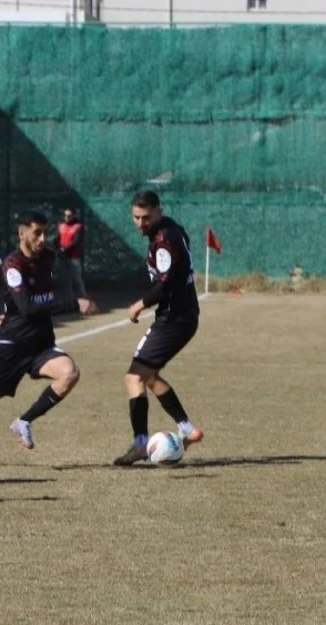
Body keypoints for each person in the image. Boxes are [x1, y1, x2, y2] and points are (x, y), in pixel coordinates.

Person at [0, 210, 98, 450]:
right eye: (37, 233)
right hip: (12, 347)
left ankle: (24, 421)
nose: (42, 239)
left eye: (45, 233)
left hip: (40, 345)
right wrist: (75, 304)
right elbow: (28, 308)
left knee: (69, 373)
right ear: (22, 233)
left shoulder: (49, 258)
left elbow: (52, 294)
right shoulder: (13, 265)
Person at [113, 191, 204, 466]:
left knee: (133, 376)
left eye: (146, 217)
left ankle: (140, 443)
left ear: (158, 212)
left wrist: (139, 304)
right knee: (149, 376)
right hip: (182, 316)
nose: (141, 223)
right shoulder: (170, 229)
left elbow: (166, 285)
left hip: (174, 319)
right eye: (136, 218)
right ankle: (187, 429)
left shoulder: (164, 240)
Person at [57, 207, 87, 301]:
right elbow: (57, 238)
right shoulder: (60, 225)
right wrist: (58, 248)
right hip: (62, 257)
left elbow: (76, 241)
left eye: (69, 216)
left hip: (74, 258)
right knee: (65, 280)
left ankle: (83, 299)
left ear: (74, 216)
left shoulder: (79, 226)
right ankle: (68, 301)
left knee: (76, 280)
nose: (67, 218)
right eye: (65, 215)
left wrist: (64, 248)